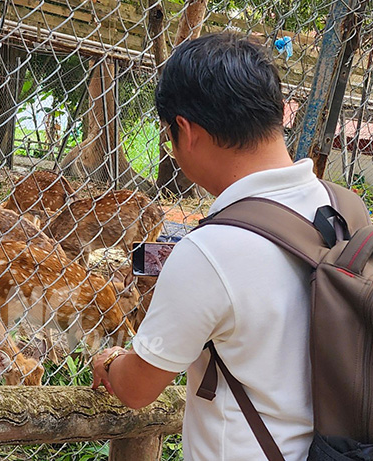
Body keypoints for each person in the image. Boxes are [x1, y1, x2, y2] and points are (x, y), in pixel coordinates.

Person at [92, 32, 323, 460]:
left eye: (168, 136)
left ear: (186, 130)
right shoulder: (341, 208)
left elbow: (138, 388)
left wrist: (110, 362)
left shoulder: (211, 251)